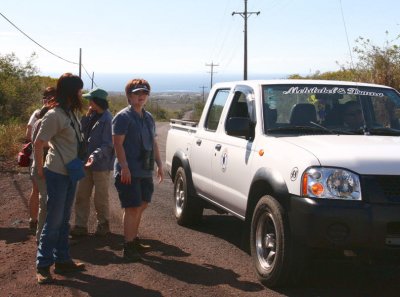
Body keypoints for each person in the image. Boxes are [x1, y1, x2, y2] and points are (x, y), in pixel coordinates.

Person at [34, 73, 86, 284]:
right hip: (56, 173)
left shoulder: (70, 113)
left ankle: (63, 260)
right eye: (79, 90)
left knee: (64, 220)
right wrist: (39, 169)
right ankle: (43, 266)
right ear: (72, 92)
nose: (81, 94)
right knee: (53, 221)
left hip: (70, 173)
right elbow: (39, 142)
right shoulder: (54, 115)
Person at [112, 78, 164, 262]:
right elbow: (117, 144)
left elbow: (154, 142)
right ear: (129, 96)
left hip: (145, 170)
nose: (141, 96)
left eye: (144, 92)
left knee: (142, 205)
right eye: (137, 93)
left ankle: (133, 240)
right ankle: (128, 246)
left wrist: (159, 164)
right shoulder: (123, 117)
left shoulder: (148, 117)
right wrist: (124, 167)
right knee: (132, 207)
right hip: (129, 171)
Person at [71, 88, 114, 237]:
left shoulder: (108, 119)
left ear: (96, 101)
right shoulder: (91, 116)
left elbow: (108, 144)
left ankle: (103, 225)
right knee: (82, 195)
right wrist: (86, 118)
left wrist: (94, 156)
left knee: (100, 197)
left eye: (90, 100)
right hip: (85, 162)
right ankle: (80, 226)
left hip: (101, 165)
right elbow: (82, 134)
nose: (88, 102)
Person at [30, 87, 56, 243]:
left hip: (41, 165)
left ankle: (44, 235)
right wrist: (40, 169)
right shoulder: (42, 123)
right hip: (42, 166)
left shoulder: (38, 121)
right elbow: (40, 144)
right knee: (46, 202)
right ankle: (42, 237)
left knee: (44, 200)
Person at [26, 89, 53, 234]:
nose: (47, 99)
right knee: (40, 191)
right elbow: (29, 134)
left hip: (40, 158)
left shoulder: (47, 114)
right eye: (45, 97)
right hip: (40, 158)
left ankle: (37, 221)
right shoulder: (39, 113)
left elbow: (30, 134)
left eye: (50, 97)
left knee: (40, 190)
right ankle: (36, 221)